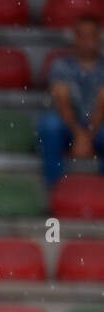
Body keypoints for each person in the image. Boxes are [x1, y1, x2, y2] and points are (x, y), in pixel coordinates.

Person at [38, 14, 104, 187]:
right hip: (68, 125)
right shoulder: (61, 65)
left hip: (98, 126)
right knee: (49, 126)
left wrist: (88, 135)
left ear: (98, 37)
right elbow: (62, 103)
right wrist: (78, 134)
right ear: (76, 37)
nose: (87, 41)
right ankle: (55, 189)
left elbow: (102, 105)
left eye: (92, 36)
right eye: (82, 35)